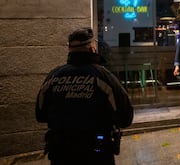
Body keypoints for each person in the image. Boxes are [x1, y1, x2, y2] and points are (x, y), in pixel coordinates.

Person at [35, 27, 133, 165]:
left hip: (61, 153)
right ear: (92, 47)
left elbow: (40, 114)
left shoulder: (53, 77)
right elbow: (125, 117)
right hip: (96, 154)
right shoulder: (104, 78)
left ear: (69, 49)